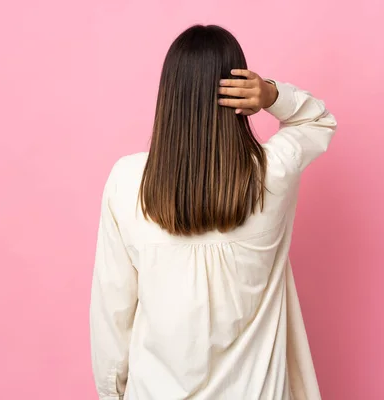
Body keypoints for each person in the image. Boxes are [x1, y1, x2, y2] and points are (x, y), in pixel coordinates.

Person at [90, 24, 337, 400]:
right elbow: (317, 121)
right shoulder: (273, 173)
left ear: (169, 95)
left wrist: (113, 393)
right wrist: (271, 94)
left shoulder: (127, 181)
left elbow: (113, 310)